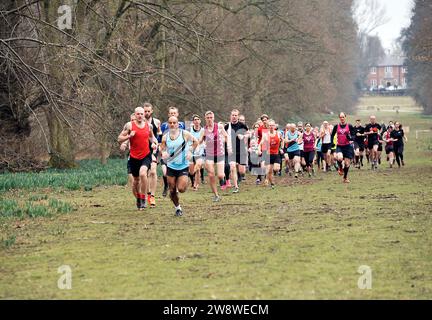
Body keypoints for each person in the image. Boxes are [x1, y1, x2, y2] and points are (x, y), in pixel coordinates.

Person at [118, 107, 158, 210]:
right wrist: (129, 137)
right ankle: (138, 198)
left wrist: (154, 143)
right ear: (135, 115)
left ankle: (144, 198)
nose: (140, 115)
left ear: (144, 114)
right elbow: (119, 139)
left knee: (143, 174)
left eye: (142, 113)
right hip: (134, 157)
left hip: (146, 155)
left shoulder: (149, 126)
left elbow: (152, 137)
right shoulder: (129, 125)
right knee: (136, 181)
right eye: (138, 114)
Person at [160, 116, 199, 216]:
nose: (172, 124)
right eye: (170, 123)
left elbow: (196, 142)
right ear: (168, 124)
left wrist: (190, 151)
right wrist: (163, 153)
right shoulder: (165, 137)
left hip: (183, 166)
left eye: (174, 123)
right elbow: (162, 149)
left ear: (178, 124)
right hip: (171, 166)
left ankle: (183, 181)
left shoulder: (184, 134)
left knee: (181, 189)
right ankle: (178, 208)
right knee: (172, 190)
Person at [198, 111, 232, 202]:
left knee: (220, 175)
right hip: (209, 155)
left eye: (211, 117)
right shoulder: (203, 130)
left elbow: (226, 137)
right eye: (207, 117)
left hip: (220, 153)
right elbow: (200, 141)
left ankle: (223, 179)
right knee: (211, 175)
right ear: (205, 119)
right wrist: (200, 142)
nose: (209, 119)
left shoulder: (219, 127)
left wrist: (225, 143)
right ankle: (216, 195)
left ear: (213, 118)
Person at [160, 106, 186, 197]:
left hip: (179, 155)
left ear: (177, 114)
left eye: (174, 113)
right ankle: (166, 186)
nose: (172, 114)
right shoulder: (164, 125)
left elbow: (185, 138)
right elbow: (161, 140)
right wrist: (162, 151)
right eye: (171, 113)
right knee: (165, 172)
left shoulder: (182, 125)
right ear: (168, 114)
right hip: (167, 153)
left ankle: (176, 188)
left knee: (177, 174)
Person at [225, 109, 250, 193]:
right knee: (232, 167)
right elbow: (223, 136)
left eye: (236, 115)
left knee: (242, 170)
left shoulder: (242, 125)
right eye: (233, 115)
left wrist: (243, 136)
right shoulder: (227, 126)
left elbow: (249, 133)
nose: (234, 117)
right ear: (230, 116)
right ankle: (235, 186)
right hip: (232, 150)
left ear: (238, 116)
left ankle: (240, 176)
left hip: (241, 150)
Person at [143, 102, 161, 207]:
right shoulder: (140, 122)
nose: (147, 113)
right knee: (145, 174)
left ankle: (152, 196)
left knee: (153, 172)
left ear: (152, 111)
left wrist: (157, 144)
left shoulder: (157, 122)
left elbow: (159, 134)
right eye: (145, 111)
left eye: (148, 111)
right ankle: (147, 194)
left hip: (153, 150)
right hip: (142, 150)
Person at [331, 112, 355, 183]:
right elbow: (332, 135)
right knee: (340, 158)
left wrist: (350, 138)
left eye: (343, 117)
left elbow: (354, 135)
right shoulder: (336, 126)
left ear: (345, 117)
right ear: (339, 118)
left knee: (347, 164)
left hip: (347, 146)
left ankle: (345, 178)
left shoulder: (349, 126)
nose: (342, 118)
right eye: (340, 117)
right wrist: (332, 143)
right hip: (340, 146)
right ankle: (340, 168)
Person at [259, 119, 283, 188]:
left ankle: (268, 180)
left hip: (276, 154)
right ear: (268, 126)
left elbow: (283, 140)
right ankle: (271, 183)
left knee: (276, 169)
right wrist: (259, 150)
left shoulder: (278, 133)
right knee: (269, 170)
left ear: (275, 126)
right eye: (270, 125)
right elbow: (260, 143)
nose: (271, 127)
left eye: (272, 125)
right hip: (268, 154)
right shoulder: (265, 135)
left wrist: (281, 148)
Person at [120, 113, 136, 193]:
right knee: (133, 182)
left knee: (142, 180)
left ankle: (147, 196)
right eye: (131, 120)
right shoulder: (129, 127)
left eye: (134, 120)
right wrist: (124, 144)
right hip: (132, 157)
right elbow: (124, 138)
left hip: (143, 157)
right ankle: (139, 200)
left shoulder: (143, 128)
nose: (132, 122)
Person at [188, 114, 205, 191]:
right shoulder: (189, 130)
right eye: (195, 120)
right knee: (191, 171)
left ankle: (196, 184)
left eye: (198, 119)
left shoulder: (203, 130)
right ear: (193, 122)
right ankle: (190, 176)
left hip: (200, 152)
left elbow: (204, 140)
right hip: (191, 152)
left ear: (200, 121)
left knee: (198, 167)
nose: (196, 121)